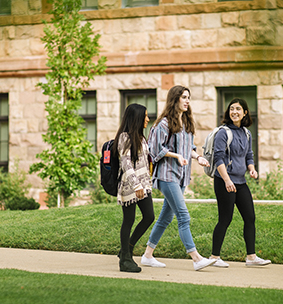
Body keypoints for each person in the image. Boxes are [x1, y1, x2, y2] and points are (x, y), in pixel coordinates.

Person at [141, 85, 216, 271]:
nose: (187, 101)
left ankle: (147, 255)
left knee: (165, 218)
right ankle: (196, 258)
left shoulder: (187, 124)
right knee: (183, 216)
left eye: (188, 97)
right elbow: (155, 149)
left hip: (181, 177)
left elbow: (188, 148)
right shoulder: (164, 124)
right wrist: (176, 156)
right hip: (167, 176)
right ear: (175, 100)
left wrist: (198, 157)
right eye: (184, 97)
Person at [209, 98, 271, 267]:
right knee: (225, 219)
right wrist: (227, 180)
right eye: (231, 109)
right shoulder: (223, 132)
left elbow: (249, 155)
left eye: (238, 109)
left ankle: (251, 257)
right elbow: (218, 158)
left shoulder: (246, 133)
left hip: (241, 182)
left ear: (245, 113)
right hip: (224, 181)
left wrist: (251, 168)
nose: (234, 111)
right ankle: (214, 257)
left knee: (250, 217)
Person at [112, 103, 155, 273]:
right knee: (128, 221)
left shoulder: (141, 138)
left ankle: (126, 250)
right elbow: (126, 163)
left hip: (143, 186)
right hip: (130, 186)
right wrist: (136, 184)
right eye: (145, 116)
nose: (147, 119)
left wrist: (144, 184)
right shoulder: (125, 137)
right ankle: (125, 261)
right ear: (136, 117)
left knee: (149, 217)